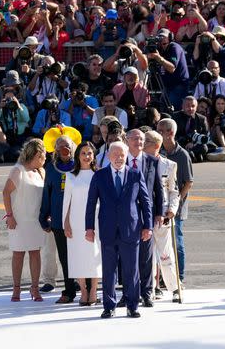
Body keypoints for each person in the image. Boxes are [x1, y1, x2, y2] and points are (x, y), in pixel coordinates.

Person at [85, 142, 152, 319]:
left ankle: (132, 306)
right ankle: (109, 306)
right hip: (107, 229)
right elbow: (91, 203)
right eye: (115, 155)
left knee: (131, 270)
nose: (119, 158)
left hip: (131, 229)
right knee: (109, 270)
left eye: (122, 155)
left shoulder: (135, 174)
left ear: (127, 155)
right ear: (108, 156)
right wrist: (89, 228)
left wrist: (148, 226)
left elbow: (145, 202)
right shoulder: (99, 176)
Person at [3, 139, 47, 302]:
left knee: (35, 253)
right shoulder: (18, 170)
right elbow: (6, 192)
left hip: (36, 220)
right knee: (18, 253)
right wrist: (10, 216)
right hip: (19, 220)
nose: (44, 160)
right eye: (43, 157)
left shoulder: (41, 172)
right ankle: (16, 289)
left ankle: (34, 288)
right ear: (36, 155)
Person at [124, 129, 163, 308]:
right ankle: (128, 293)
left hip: (146, 213)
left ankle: (147, 293)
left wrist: (159, 213)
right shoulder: (120, 159)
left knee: (146, 256)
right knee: (125, 256)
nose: (139, 142)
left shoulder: (153, 161)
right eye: (135, 139)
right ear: (127, 140)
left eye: (142, 139)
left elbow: (158, 188)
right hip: (125, 214)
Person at [39, 135, 78, 304]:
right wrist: (43, 217)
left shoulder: (80, 166)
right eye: (60, 146)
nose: (64, 148)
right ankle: (69, 289)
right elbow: (46, 194)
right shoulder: (51, 168)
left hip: (79, 219)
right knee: (64, 256)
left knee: (80, 254)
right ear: (55, 150)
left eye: (67, 145)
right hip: (58, 220)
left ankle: (84, 287)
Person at [62, 142, 102, 306]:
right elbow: (67, 202)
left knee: (94, 255)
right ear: (78, 156)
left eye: (89, 153)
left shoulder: (99, 174)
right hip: (76, 221)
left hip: (96, 220)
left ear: (93, 156)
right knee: (77, 255)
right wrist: (66, 223)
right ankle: (83, 292)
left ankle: (93, 290)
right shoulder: (71, 176)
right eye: (83, 153)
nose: (87, 156)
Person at [143, 130, 181, 302]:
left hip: (164, 214)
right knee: (148, 256)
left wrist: (173, 209)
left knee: (166, 254)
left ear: (156, 146)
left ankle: (174, 287)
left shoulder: (169, 165)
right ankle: (150, 288)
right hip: (147, 214)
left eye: (147, 142)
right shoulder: (140, 163)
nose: (142, 145)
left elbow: (174, 191)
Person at [157, 118, 193, 288]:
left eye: (161, 131)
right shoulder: (161, 153)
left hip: (177, 205)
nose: (158, 134)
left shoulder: (182, 155)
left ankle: (180, 275)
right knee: (165, 243)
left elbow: (188, 182)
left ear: (170, 133)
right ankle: (166, 276)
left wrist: (177, 200)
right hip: (164, 204)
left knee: (176, 240)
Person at [146, 29, 189, 108]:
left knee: (171, 108)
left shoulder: (174, 47)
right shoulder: (159, 49)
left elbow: (172, 68)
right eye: (159, 37)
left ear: (170, 37)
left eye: (163, 36)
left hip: (178, 86)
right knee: (163, 108)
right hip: (167, 86)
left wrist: (158, 58)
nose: (161, 38)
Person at [172, 96, 216, 163]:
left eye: (193, 106)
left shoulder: (202, 119)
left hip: (195, 144)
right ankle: (192, 155)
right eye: (188, 106)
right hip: (180, 143)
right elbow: (172, 135)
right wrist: (185, 142)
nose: (190, 108)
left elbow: (205, 135)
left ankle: (193, 154)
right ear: (183, 106)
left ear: (196, 107)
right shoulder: (175, 117)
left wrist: (193, 143)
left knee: (204, 147)